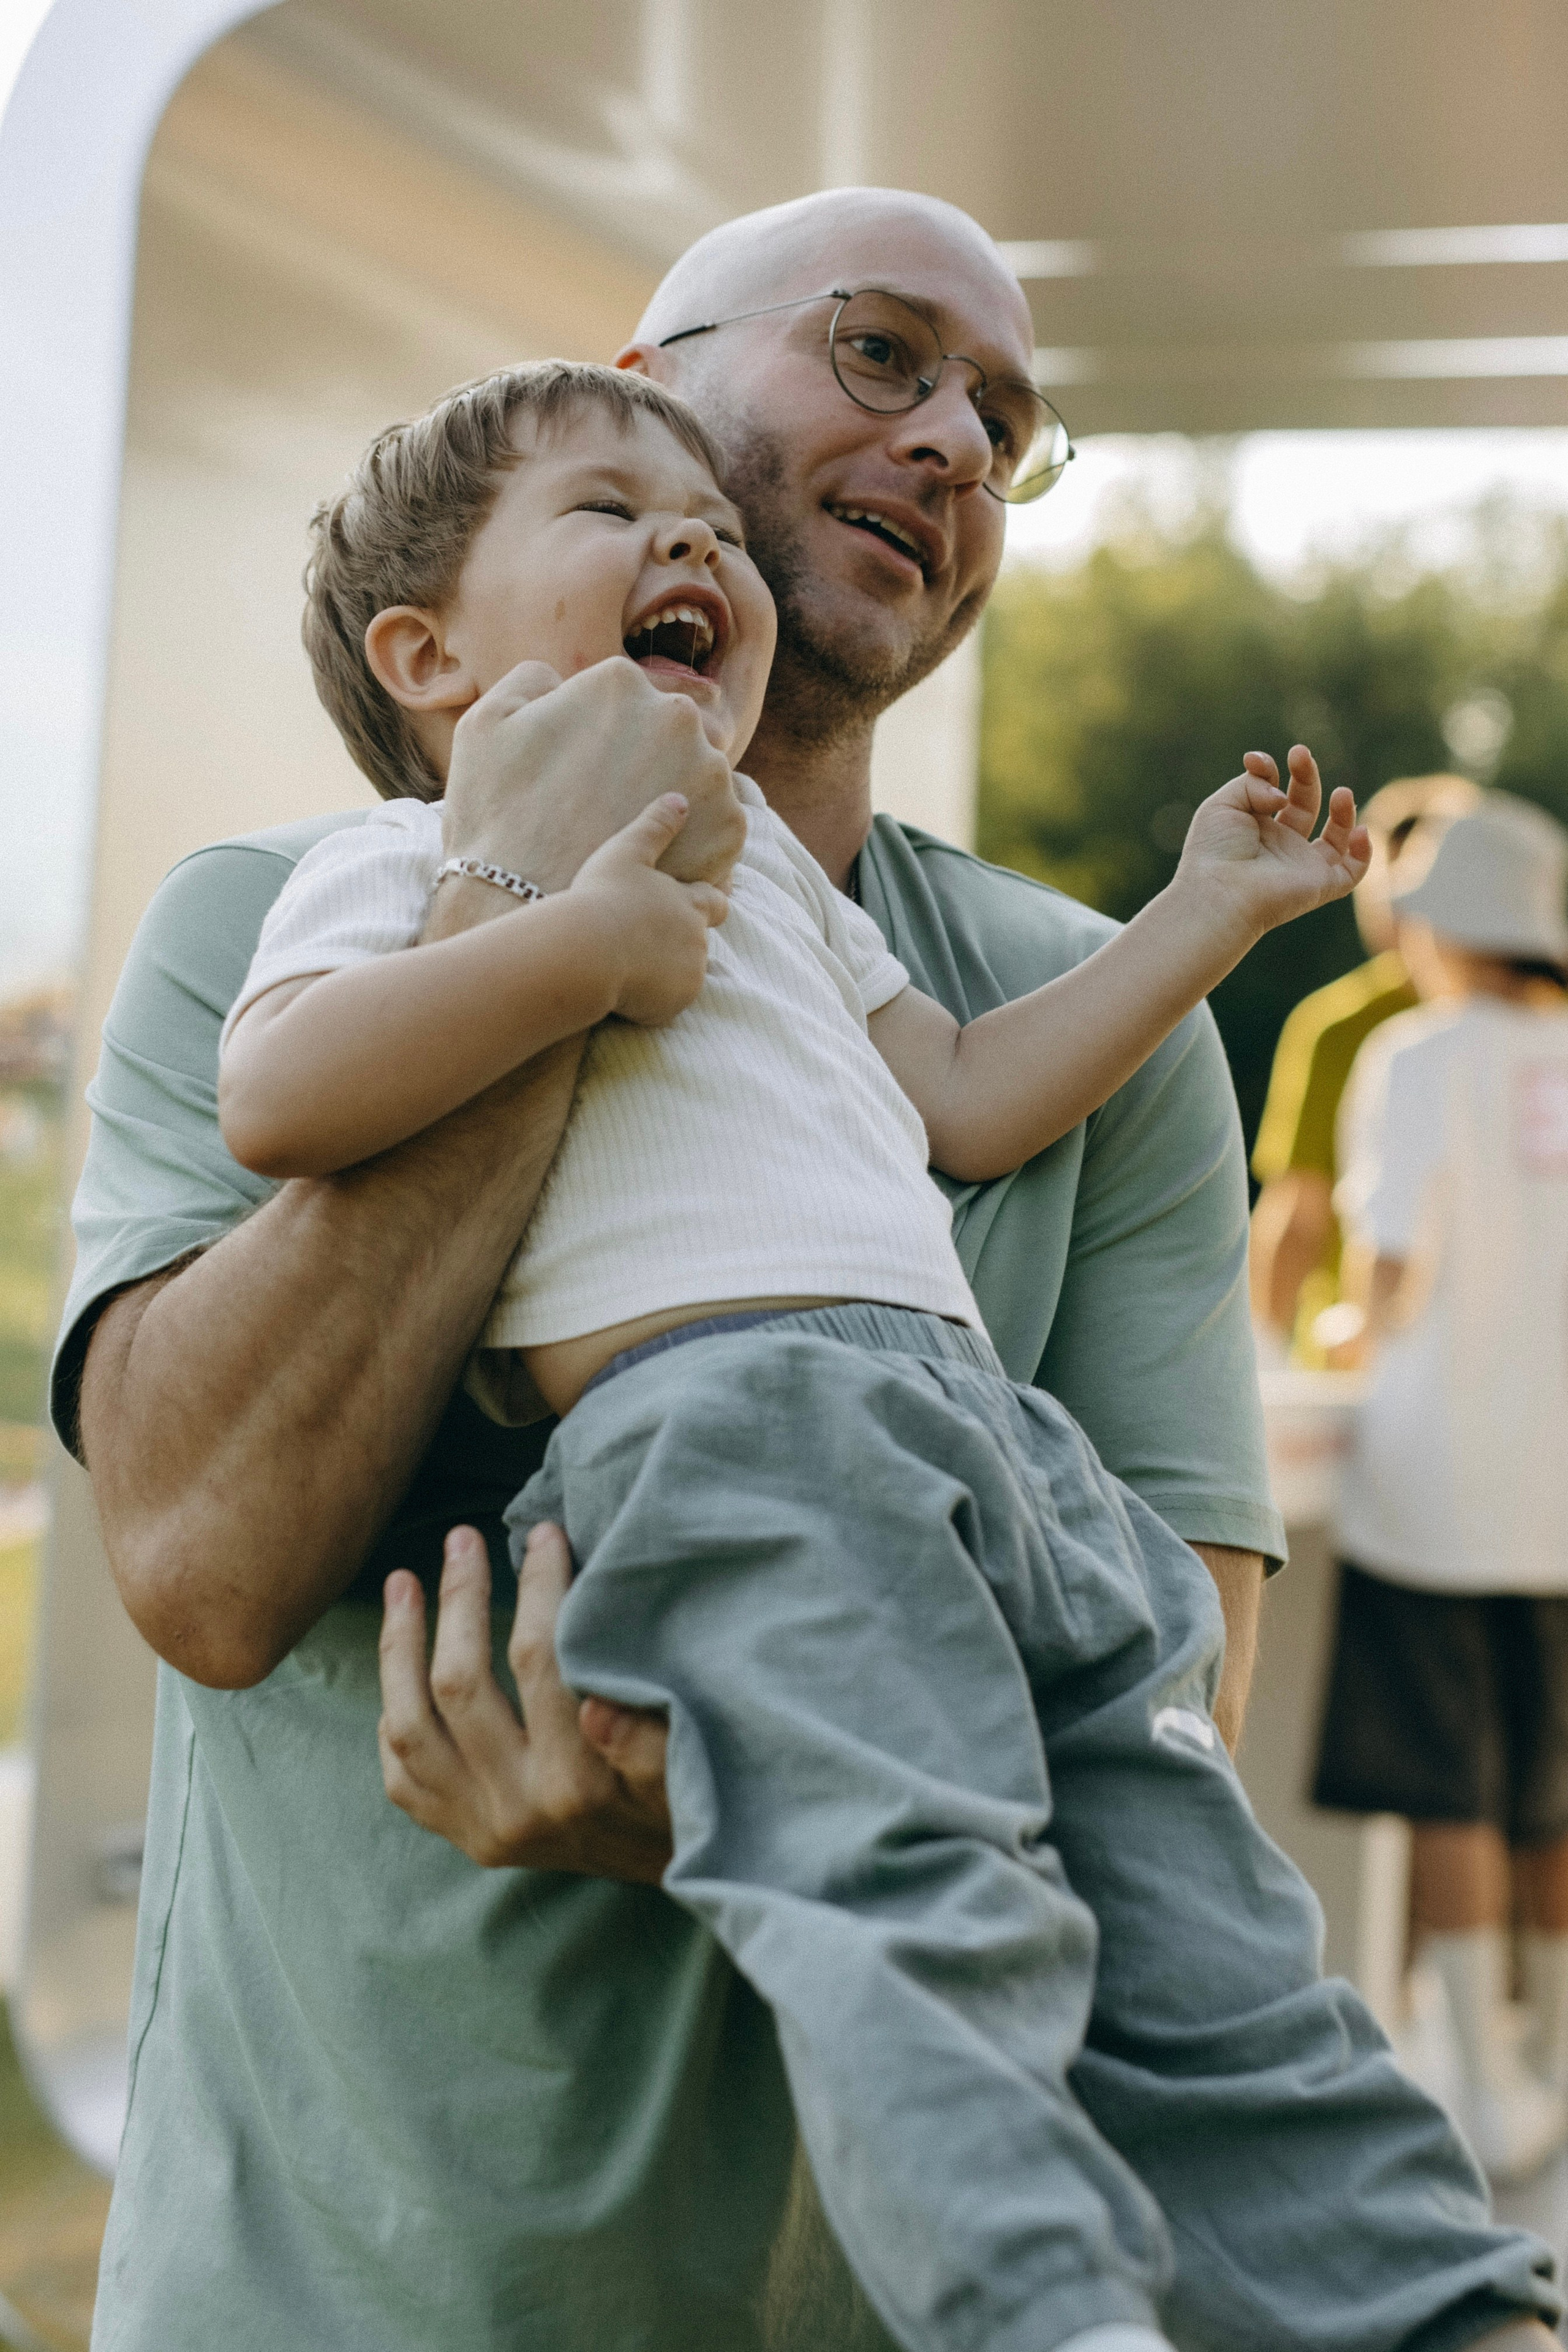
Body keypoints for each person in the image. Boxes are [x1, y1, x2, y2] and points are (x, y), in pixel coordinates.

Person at [59, 188, 1557, 2351]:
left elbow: (1166, 1710)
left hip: (851, 2300)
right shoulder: (298, 912)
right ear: (653, 396)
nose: (957, 437)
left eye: (1006, 421)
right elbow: (201, 1568)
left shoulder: (1035, 1013)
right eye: (879, 355)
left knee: (1252, 1978)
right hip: (347, 2289)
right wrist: (548, 912)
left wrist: (757, 1775)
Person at [1313, 796, 1568, 2188]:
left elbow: (1387, 1276)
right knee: (1546, 1787)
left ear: (1443, 931)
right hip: (1555, 1490)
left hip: (1434, 1481)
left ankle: (1477, 2078)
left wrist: (1349, 1328)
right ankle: (1550, 2061)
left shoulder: (1418, 1060)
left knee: (1447, 1785)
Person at [1249, 773, 1480, 1360]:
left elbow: (1299, 1216)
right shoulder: (1335, 1026)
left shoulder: (1344, 1026)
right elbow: (1298, 1215)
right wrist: (1267, 1358)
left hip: (1393, 1360)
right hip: (1367, 1353)